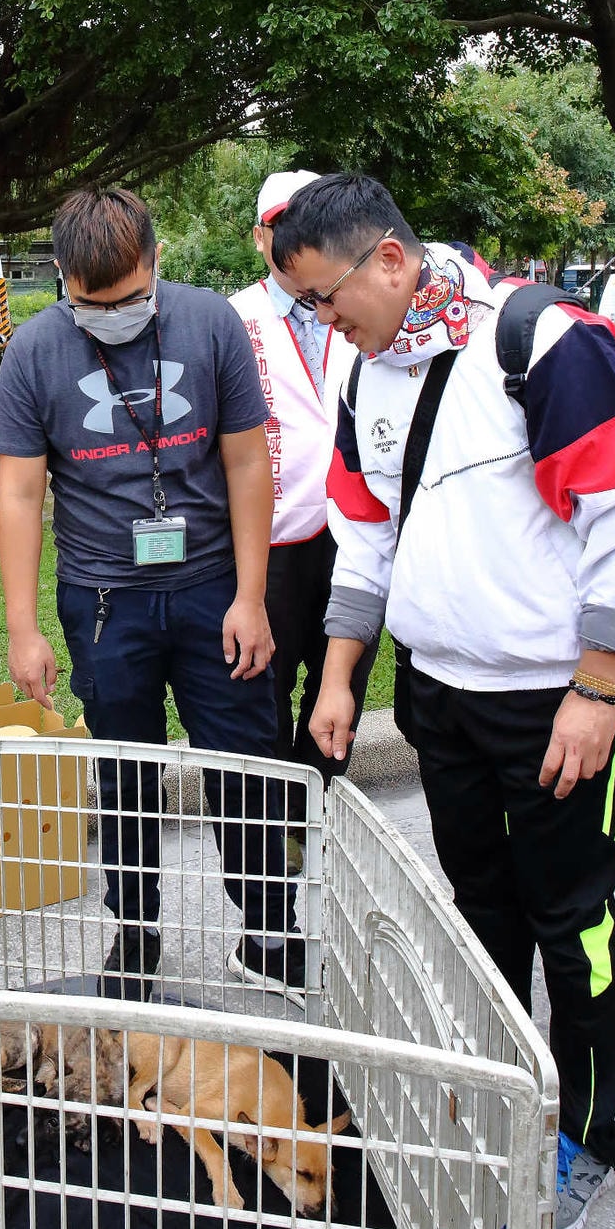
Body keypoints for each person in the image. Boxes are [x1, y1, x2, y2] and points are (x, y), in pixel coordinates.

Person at [272, 172, 615, 1229]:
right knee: (479, 905)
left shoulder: (541, 342)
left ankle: (587, 1132)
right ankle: (500, 1086)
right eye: (305, 304)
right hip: (436, 695)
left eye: (325, 297)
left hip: (552, 701)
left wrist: (597, 689)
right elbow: (364, 535)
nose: (322, 321)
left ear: (388, 260)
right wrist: (342, 674)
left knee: (570, 917)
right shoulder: (364, 370)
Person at [0, 185, 297, 1001]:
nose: (114, 314)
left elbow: (244, 463)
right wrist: (24, 630)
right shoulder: (33, 352)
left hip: (212, 592)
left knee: (246, 766)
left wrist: (253, 596)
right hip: (102, 602)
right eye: (93, 304)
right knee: (125, 774)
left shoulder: (209, 323)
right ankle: (135, 929)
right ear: (62, 277)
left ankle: (267, 927)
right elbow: (21, 495)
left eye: (130, 297)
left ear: (156, 262)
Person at [229, 170, 374, 782]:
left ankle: (318, 803)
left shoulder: (362, 307)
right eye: (281, 227)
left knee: (342, 677)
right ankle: (273, 817)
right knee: (266, 681)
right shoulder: (234, 318)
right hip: (274, 536)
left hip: (355, 531)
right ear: (260, 238)